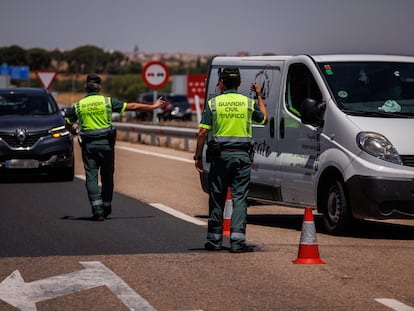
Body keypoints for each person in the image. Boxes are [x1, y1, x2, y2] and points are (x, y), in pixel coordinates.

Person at [65, 74, 165, 221]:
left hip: (89, 147)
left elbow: (68, 124)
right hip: (106, 146)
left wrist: (74, 130)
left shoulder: (78, 106)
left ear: (85, 87)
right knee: (107, 176)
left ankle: (97, 209)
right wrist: (152, 106)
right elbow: (132, 106)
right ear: (99, 88)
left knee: (91, 177)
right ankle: (106, 206)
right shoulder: (107, 102)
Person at [194, 67, 268, 253]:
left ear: (221, 82)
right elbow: (264, 119)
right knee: (240, 199)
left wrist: (198, 157)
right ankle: (237, 242)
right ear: (240, 82)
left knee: (217, 198)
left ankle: (214, 241)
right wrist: (259, 96)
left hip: (220, 158)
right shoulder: (248, 103)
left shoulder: (214, 104)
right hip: (242, 158)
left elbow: (203, 131)